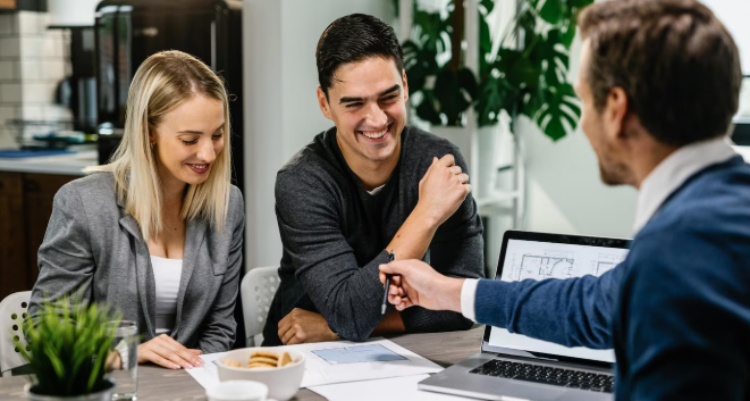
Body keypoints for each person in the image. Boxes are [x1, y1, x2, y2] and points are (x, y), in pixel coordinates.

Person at [380, 0, 750, 399]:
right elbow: (592, 307)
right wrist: (449, 292)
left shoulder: (681, 253)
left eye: (583, 99)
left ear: (616, 108)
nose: (581, 120)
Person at [263, 13, 485, 346]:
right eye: (354, 104)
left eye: (388, 97)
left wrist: (336, 324)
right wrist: (427, 214)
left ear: (405, 87)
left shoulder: (439, 163)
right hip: (305, 359)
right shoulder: (302, 182)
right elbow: (351, 312)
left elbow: (465, 302)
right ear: (325, 103)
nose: (377, 119)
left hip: (403, 356)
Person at [29, 50, 245, 370]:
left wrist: (187, 379)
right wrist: (126, 356)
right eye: (189, 139)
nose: (208, 153)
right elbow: (46, 331)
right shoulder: (83, 204)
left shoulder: (227, 205)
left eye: (217, 135)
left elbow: (220, 326)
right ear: (148, 132)